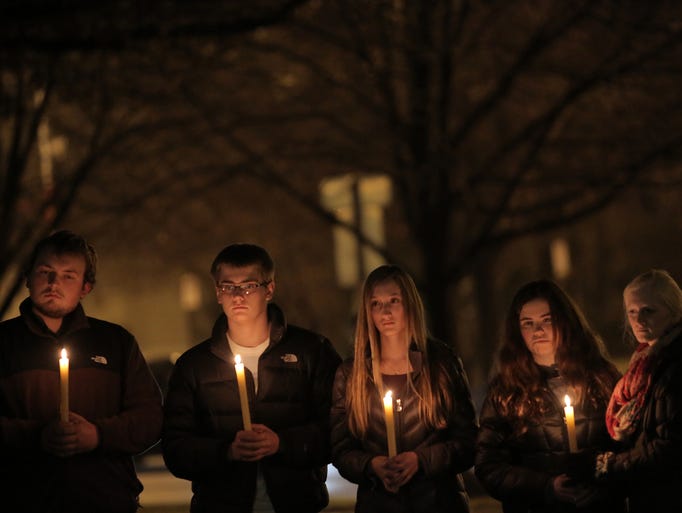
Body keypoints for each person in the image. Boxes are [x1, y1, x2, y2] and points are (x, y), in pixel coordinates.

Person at [162, 243, 342, 513]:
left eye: (248, 286)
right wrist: (227, 451)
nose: (237, 296)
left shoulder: (311, 352)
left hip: (296, 503)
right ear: (217, 293)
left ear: (269, 289)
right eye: (227, 286)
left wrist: (281, 443)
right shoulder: (194, 365)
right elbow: (176, 449)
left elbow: (339, 431)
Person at [0, 230, 163, 513]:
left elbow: (150, 419)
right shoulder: (3, 343)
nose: (54, 283)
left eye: (68, 276)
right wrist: (37, 434)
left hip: (105, 501)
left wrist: (98, 435)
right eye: (45, 272)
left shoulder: (115, 342)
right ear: (27, 277)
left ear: (86, 287)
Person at [330, 264, 478, 513]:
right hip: (379, 504)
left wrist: (421, 460)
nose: (385, 311)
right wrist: (372, 465)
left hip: (439, 503)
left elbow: (469, 442)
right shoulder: (351, 375)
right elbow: (340, 449)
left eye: (393, 301)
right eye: (376, 303)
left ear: (409, 304)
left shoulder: (440, 363)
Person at [475, 279, 624, 512]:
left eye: (547, 320)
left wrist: (601, 485)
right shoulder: (506, 391)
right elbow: (489, 466)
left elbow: (628, 450)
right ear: (517, 331)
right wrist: (546, 487)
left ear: (565, 322)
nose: (538, 330)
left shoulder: (601, 378)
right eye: (528, 323)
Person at [596, 269, 682, 512]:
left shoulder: (674, 365)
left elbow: (670, 447)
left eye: (648, 310)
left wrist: (609, 465)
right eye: (632, 311)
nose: (639, 320)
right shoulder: (644, 363)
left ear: (674, 311)